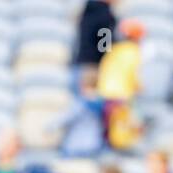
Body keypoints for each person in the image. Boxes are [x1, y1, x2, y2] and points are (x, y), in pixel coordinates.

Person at [96, 19, 144, 150]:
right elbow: (132, 73)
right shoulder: (133, 51)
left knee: (110, 128)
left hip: (106, 94)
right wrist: (139, 87)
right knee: (123, 130)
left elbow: (103, 70)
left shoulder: (114, 49)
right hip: (121, 94)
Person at [55, 69, 106, 159]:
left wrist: (48, 126)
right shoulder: (102, 102)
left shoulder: (80, 103)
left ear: (82, 85)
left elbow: (66, 118)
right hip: (95, 144)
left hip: (76, 145)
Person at [73, 0, 116, 71]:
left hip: (81, 62)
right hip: (93, 66)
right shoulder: (104, 15)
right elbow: (104, 46)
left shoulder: (87, 10)